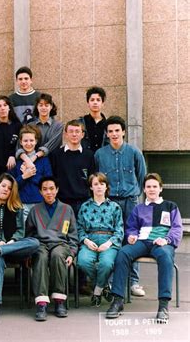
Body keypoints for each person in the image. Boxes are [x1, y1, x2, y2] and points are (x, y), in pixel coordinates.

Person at [106, 173, 183, 323]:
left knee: (166, 257)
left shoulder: (171, 206)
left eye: (155, 186)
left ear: (160, 189)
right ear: (144, 189)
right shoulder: (138, 208)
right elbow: (131, 227)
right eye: (148, 187)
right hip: (142, 242)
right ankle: (118, 300)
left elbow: (177, 228)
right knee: (122, 253)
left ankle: (163, 305)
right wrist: (131, 235)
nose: (152, 189)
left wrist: (167, 239)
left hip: (161, 243)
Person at [94, 115, 147, 297]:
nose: (114, 134)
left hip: (130, 201)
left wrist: (133, 193)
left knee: (132, 238)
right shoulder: (100, 155)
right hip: (110, 203)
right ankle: (110, 282)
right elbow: (97, 179)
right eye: (110, 131)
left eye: (117, 130)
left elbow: (142, 177)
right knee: (110, 240)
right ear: (107, 134)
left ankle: (133, 281)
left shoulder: (134, 153)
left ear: (123, 132)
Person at [0, 174, 39, 319]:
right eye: (3, 186)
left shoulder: (17, 208)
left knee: (35, 242)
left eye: (9, 188)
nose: (6, 190)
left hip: (12, 247)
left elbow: (20, 230)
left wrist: (12, 241)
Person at [26, 176, 78, 321]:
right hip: (40, 244)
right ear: (40, 192)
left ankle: (59, 300)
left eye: (51, 189)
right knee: (40, 257)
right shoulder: (35, 210)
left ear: (57, 190)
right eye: (45, 189)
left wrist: (72, 254)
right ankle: (41, 302)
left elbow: (73, 236)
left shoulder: (67, 209)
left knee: (57, 255)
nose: (48, 192)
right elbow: (28, 235)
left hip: (61, 245)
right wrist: (29, 254)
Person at [76, 173, 123, 307]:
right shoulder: (85, 207)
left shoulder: (115, 207)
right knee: (83, 261)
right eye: (96, 184)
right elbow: (79, 228)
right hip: (90, 240)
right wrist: (86, 241)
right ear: (91, 187)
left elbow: (119, 230)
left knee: (107, 263)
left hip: (108, 240)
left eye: (102, 184)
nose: (99, 187)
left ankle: (97, 291)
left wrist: (109, 243)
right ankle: (104, 285)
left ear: (106, 186)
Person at [50, 119, 95, 216]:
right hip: (62, 204)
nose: (74, 134)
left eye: (77, 131)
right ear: (65, 134)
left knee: (83, 231)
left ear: (82, 134)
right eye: (71, 131)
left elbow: (92, 179)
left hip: (84, 204)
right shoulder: (56, 155)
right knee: (64, 230)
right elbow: (52, 178)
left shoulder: (89, 155)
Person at [10, 125, 52, 221]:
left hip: (40, 203)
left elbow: (47, 182)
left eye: (31, 140)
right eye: (25, 141)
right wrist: (24, 176)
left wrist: (31, 174)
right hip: (21, 203)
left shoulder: (44, 160)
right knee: (24, 233)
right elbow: (13, 185)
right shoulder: (17, 161)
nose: (28, 143)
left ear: (36, 141)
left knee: (40, 233)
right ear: (20, 142)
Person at [79, 86, 109, 153]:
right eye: (92, 100)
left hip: (102, 161)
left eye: (98, 100)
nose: (95, 102)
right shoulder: (81, 122)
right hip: (85, 160)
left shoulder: (108, 124)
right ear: (88, 103)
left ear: (103, 103)